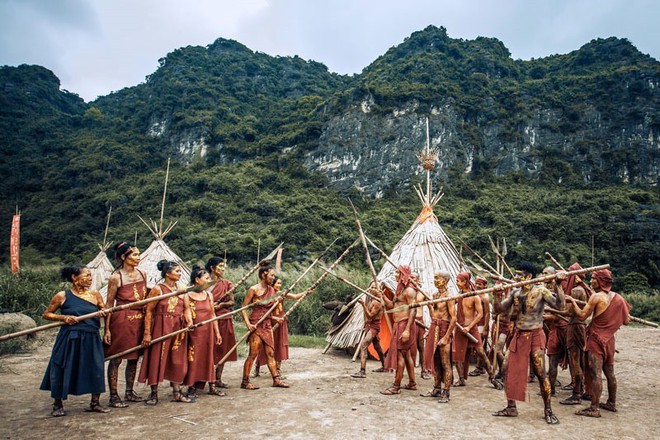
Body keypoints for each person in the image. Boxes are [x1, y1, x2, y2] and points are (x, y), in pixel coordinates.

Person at [492, 262, 564, 425]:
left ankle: (548, 410)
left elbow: (560, 305)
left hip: (535, 336)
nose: (516, 277)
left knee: (540, 372)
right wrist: (497, 296)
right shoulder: (515, 293)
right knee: (506, 368)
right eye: (516, 274)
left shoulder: (541, 291)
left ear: (529, 277)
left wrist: (558, 284)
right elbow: (498, 310)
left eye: (520, 274)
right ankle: (511, 407)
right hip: (519, 335)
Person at [41, 266, 109, 417]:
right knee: (61, 366)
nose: (90, 279)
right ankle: (57, 404)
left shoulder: (95, 295)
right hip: (69, 337)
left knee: (96, 367)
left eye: (91, 276)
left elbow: (106, 313)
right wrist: (64, 317)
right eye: (86, 275)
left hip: (92, 337)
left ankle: (95, 403)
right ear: (74, 277)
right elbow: (47, 314)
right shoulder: (62, 295)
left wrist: (107, 329)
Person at [567, 269, 631, 418]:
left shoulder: (596, 297)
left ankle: (594, 408)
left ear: (601, 281)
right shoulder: (619, 298)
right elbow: (626, 321)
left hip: (596, 340)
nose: (590, 282)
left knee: (595, 373)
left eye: (593, 279)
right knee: (610, 373)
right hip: (610, 341)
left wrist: (572, 301)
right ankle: (611, 403)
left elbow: (582, 316)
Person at [138, 260, 194, 404]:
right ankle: (153, 394)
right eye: (177, 271)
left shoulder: (182, 289)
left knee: (177, 359)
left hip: (178, 328)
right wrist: (147, 333)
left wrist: (189, 322)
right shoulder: (158, 289)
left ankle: (177, 392)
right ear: (168, 273)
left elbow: (186, 308)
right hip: (161, 327)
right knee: (157, 357)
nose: (180, 274)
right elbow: (149, 311)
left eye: (180, 271)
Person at [103, 242, 148, 408]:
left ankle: (129, 392)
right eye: (134, 255)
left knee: (134, 358)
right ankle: (114, 396)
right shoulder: (116, 277)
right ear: (124, 257)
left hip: (140, 319)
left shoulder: (143, 273)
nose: (138, 257)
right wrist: (107, 329)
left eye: (138, 254)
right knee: (116, 358)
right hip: (122, 319)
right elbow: (109, 305)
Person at [240, 261, 289, 389]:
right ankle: (245, 381)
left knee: (270, 353)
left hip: (266, 324)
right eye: (271, 275)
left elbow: (269, 311)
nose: (273, 278)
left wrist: (275, 318)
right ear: (263, 275)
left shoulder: (271, 290)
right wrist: (248, 324)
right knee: (253, 353)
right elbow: (243, 308)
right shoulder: (253, 289)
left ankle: (276, 380)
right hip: (255, 324)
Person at [452, 272, 498, 388]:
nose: (457, 283)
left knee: (481, 352)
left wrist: (469, 326)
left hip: (471, 329)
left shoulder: (475, 296)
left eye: (458, 281)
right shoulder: (458, 296)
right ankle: (461, 379)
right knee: (457, 355)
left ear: (464, 282)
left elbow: (480, 314)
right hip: (460, 328)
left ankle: (492, 377)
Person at [185, 266, 223, 398]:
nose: (209, 281)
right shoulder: (187, 295)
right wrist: (190, 324)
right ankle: (192, 387)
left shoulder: (209, 295)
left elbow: (213, 315)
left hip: (208, 332)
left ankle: (212, 385)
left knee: (209, 357)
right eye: (206, 279)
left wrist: (217, 333)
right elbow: (187, 312)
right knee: (194, 358)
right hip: (195, 332)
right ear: (197, 280)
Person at [255, 276, 303, 378]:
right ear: (272, 284)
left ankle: (277, 370)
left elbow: (295, 296)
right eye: (277, 283)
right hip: (270, 322)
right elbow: (261, 307)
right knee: (265, 345)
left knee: (280, 345)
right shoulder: (267, 294)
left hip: (281, 322)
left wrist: (306, 292)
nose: (279, 285)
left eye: (280, 283)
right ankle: (257, 367)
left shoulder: (281, 293)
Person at [380, 265, 418, 395]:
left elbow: (413, 310)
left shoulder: (409, 291)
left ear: (403, 275)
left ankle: (396, 386)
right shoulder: (400, 290)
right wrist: (383, 297)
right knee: (406, 355)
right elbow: (393, 306)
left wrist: (407, 330)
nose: (395, 274)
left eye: (397, 272)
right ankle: (412, 383)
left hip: (404, 325)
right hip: (398, 325)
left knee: (400, 355)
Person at [420, 271, 456, 403]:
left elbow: (453, 319)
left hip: (444, 329)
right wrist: (430, 307)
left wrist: (446, 337)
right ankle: (436, 389)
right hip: (435, 327)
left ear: (445, 280)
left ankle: (446, 393)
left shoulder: (449, 297)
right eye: (434, 278)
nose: (435, 280)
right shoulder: (436, 295)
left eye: (437, 278)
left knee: (445, 362)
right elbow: (434, 316)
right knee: (435, 361)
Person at [560, 263, 588, 405]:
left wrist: (553, 311)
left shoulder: (577, 291)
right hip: (579, 326)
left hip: (575, 326)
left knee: (575, 360)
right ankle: (582, 389)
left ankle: (577, 394)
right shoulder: (582, 290)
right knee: (579, 360)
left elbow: (570, 312)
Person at [206, 257, 236, 389]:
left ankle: (218, 378)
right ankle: (207, 378)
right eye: (220, 266)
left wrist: (222, 304)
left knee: (223, 349)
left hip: (224, 318)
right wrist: (211, 306)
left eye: (224, 266)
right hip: (209, 319)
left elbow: (232, 302)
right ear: (212, 268)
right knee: (209, 349)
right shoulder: (204, 283)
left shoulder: (227, 284)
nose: (223, 269)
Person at [351, 283, 385, 378]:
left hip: (374, 327)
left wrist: (362, 305)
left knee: (363, 345)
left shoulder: (377, 302)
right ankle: (385, 366)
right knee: (377, 346)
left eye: (375, 288)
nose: (372, 289)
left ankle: (362, 371)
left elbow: (370, 315)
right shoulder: (372, 299)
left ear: (380, 290)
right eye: (372, 287)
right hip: (370, 325)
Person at [543, 266, 568, 396]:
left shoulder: (558, 289)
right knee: (551, 358)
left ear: (553, 275)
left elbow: (560, 311)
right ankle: (551, 388)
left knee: (553, 359)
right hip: (552, 328)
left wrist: (544, 316)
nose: (543, 275)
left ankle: (578, 391)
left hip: (561, 328)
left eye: (546, 273)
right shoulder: (546, 288)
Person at [469, 276, 491, 377]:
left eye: (480, 284)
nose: (477, 285)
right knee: (477, 346)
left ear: (484, 286)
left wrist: (486, 328)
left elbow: (487, 314)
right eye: (477, 283)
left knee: (480, 347)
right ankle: (480, 367)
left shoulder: (485, 297)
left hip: (481, 324)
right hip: (475, 322)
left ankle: (479, 367)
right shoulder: (475, 294)